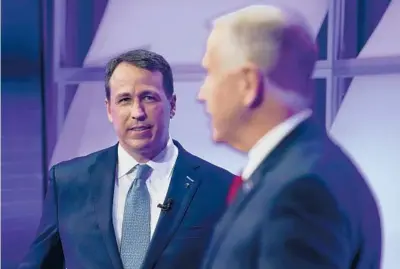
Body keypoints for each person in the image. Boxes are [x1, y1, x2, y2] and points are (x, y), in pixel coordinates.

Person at [198, 5, 382, 269]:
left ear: (248, 83)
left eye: (210, 73)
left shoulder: (302, 190)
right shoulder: (296, 170)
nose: (201, 94)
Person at [19, 49, 234, 269]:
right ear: (109, 110)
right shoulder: (68, 182)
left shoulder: (220, 187)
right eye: (124, 100)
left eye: (148, 98)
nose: (137, 112)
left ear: (173, 105)